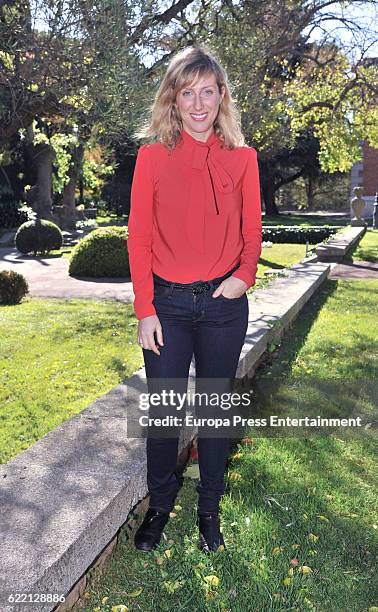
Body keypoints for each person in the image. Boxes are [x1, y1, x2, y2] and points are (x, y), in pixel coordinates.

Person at [126, 44, 262, 553]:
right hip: (168, 307)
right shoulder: (152, 158)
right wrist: (145, 308)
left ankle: (209, 511)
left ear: (222, 96)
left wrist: (242, 278)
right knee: (164, 414)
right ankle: (160, 507)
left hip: (224, 308)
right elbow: (138, 237)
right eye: (189, 93)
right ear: (174, 100)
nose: (199, 104)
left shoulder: (244, 159)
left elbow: (253, 230)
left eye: (208, 92)